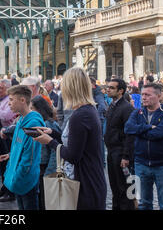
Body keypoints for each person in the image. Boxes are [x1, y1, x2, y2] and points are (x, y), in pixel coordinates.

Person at [33, 67, 107, 210]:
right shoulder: (85, 110)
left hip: (85, 184)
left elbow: (72, 155)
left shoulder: (81, 115)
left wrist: (50, 142)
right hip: (88, 179)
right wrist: (52, 133)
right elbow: (76, 142)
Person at [124, 83, 163, 210]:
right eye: (142, 94)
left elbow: (159, 134)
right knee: (144, 204)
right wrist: (147, 127)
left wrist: (139, 131)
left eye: (148, 94)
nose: (144, 97)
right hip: (140, 163)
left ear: (158, 96)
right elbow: (128, 128)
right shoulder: (137, 113)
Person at [0, 84, 45, 210]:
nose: (9, 103)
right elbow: (20, 146)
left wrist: (18, 175)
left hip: (25, 179)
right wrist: (10, 155)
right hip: (18, 176)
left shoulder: (33, 123)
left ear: (23, 100)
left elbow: (29, 157)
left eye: (12, 100)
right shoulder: (21, 119)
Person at [104, 79, 136, 210]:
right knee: (115, 186)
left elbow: (130, 134)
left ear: (120, 91)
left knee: (124, 187)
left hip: (121, 152)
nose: (108, 89)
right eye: (108, 87)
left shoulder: (126, 107)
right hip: (111, 150)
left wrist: (126, 156)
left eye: (112, 88)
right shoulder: (112, 105)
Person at [30, 95, 61, 211]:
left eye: (32, 108)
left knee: (45, 202)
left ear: (39, 109)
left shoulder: (49, 124)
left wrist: (50, 172)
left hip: (46, 168)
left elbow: (55, 149)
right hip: (40, 166)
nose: (31, 111)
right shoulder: (41, 122)